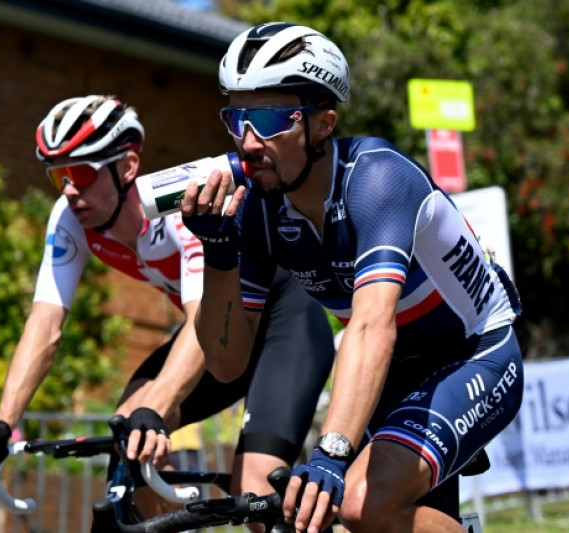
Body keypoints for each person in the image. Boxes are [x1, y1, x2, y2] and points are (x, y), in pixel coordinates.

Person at [179, 23, 525, 533]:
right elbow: (227, 363)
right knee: (319, 517)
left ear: (323, 125)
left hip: (472, 354)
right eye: (237, 118)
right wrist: (219, 252)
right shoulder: (258, 210)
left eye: (271, 118)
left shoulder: (377, 179)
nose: (248, 142)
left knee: (361, 505)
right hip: (393, 371)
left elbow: (371, 326)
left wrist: (331, 453)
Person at [0, 95, 335, 529]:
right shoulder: (72, 218)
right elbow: (45, 323)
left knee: (254, 485)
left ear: (127, 167)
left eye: (81, 173)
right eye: (59, 177)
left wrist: (159, 407)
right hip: (214, 335)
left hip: (282, 329)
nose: (71, 190)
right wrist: (2, 423)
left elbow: (198, 314)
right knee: (127, 444)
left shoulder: (181, 204)